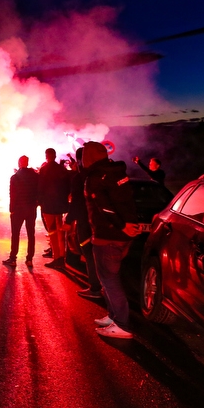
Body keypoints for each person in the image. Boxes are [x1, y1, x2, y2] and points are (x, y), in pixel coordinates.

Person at [83, 142, 140, 340]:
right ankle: (114, 316)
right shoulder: (117, 171)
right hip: (122, 236)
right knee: (109, 279)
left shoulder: (95, 177)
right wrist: (129, 224)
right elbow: (127, 200)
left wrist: (121, 225)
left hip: (108, 236)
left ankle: (123, 325)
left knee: (109, 280)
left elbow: (104, 207)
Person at [66, 147, 102, 300]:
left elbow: (76, 203)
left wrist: (68, 221)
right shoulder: (100, 175)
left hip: (85, 223)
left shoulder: (79, 178)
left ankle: (95, 288)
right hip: (101, 223)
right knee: (100, 255)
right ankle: (104, 287)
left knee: (89, 254)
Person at [3, 155, 39, 268]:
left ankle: (13, 258)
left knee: (15, 234)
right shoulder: (35, 176)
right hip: (31, 208)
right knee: (31, 234)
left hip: (18, 209)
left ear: (19, 163)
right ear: (27, 163)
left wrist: (11, 209)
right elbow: (38, 191)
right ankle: (29, 259)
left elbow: (13, 195)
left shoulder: (15, 177)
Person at [38, 148, 71, 270]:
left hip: (49, 206)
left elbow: (40, 188)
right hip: (61, 206)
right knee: (61, 232)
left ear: (46, 156)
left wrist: (40, 202)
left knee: (52, 232)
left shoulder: (45, 170)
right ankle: (62, 257)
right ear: (55, 156)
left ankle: (57, 258)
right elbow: (68, 187)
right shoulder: (62, 169)